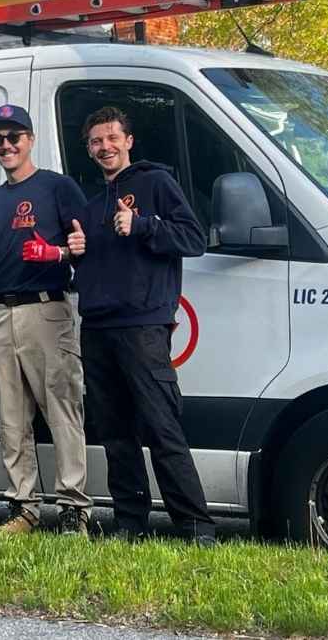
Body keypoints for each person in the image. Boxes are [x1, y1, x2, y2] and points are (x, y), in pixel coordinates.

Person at [67, 105, 216, 545]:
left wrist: (144, 224)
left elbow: (193, 239)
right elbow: (92, 270)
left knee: (161, 428)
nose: (105, 147)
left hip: (143, 328)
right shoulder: (91, 206)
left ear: (128, 141)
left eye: (112, 137)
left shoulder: (156, 184)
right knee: (116, 435)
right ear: (89, 149)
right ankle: (130, 524)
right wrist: (76, 252)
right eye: (96, 141)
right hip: (97, 329)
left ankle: (195, 527)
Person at [0, 104, 92, 535]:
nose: (6, 145)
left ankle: (73, 507)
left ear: (30, 139)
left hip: (47, 309)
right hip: (2, 312)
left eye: (13, 137)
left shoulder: (58, 188)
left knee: (61, 409)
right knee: (11, 416)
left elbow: (87, 247)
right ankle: (23, 507)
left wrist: (57, 252)